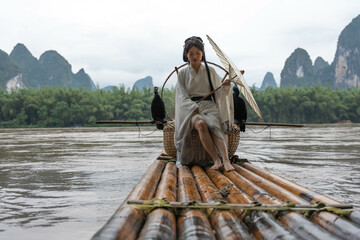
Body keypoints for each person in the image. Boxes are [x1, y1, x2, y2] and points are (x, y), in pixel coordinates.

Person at [174, 36, 235, 172]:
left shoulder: (210, 71)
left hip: (209, 106)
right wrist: (192, 107)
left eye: (198, 53)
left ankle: (226, 161)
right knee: (201, 124)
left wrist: (225, 87)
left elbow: (217, 93)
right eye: (191, 54)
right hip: (191, 109)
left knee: (214, 126)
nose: (195, 56)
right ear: (186, 55)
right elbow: (181, 96)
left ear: (202, 54)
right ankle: (216, 160)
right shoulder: (183, 74)